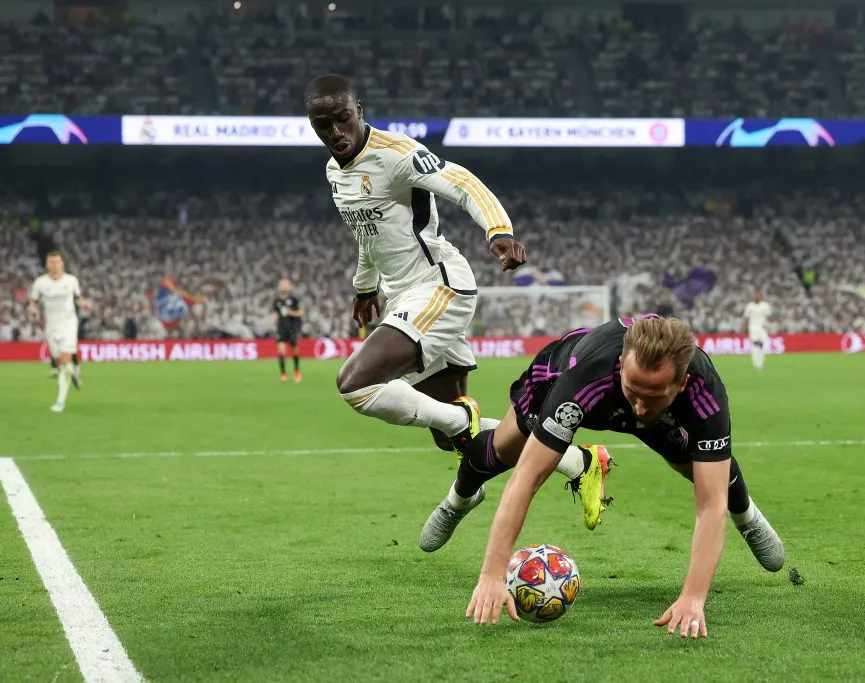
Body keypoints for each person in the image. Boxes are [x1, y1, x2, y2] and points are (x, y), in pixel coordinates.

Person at [305, 75, 610, 528]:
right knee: (458, 439)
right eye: (322, 124)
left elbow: (462, 181)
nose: (335, 133)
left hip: (438, 287)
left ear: (360, 109)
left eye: (342, 119)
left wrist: (498, 230)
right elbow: (366, 236)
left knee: (354, 383)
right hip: (402, 298)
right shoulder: (336, 171)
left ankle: (457, 419)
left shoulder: (396, 154)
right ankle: (581, 463)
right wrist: (364, 286)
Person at [461, 316, 785, 636]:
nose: (641, 408)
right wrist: (491, 573)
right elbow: (526, 479)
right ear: (621, 364)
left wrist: (693, 597)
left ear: (681, 383)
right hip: (560, 378)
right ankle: (456, 500)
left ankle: (747, 517)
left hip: (651, 408)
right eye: (634, 391)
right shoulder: (584, 380)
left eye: (653, 395)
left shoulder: (704, 389)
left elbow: (711, 504)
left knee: (696, 463)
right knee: (501, 452)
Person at [29, 252, 91, 412]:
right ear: (47, 264)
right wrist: (33, 308)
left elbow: (78, 297)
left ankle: (60, 401)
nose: (55, 265)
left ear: (62, 264)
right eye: (52, 262)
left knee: (64, 361)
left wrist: (84, 304)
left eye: (57, 262)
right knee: (58, 361)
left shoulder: (71, 281)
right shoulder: (40, 283)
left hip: (69, 323)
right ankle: (75, 371)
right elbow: (33, 301)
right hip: (51, 325)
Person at [272, 278, 304, 382]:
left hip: (292, 328)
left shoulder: (294, 299)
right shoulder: (277, 301)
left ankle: (296, 371)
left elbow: (301, 313)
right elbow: (275, 313)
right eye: (281, 285)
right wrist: (274, 319)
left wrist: (289, 312)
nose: (283, 286)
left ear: (289, 286)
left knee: (295, 351)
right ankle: (283, 374)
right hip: (281, 328)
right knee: (281, 350)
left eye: (285, 284)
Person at [742, 289, 772, 371]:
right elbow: (746, 317)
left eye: (758, 295)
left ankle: (760, 364)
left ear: (761, 296)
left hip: (763, 327)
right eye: (755, 295)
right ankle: (755, 364)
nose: (756, 296)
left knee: (761, 345)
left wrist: (769, 326)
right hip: (753, 327)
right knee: (755, 345)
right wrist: (744, 327)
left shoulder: (765, 306)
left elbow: (769, 316)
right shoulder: (750, 306)